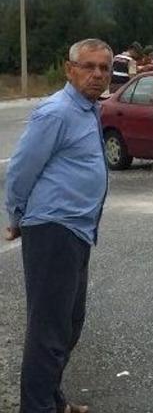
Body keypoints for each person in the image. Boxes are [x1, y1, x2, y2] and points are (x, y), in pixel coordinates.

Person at [4, 38, 112, 413]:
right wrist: (17, 216)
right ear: (70, 70)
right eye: (89, 66)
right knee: (49, 330)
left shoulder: (88, 109)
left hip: (77, 230)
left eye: (104, 67)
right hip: (54, 229)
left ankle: (52, 400)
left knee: (69, 323)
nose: (97, 74)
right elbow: (20, 170)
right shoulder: (56, 112)